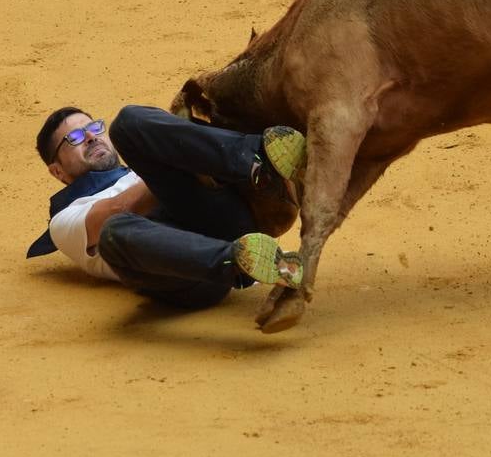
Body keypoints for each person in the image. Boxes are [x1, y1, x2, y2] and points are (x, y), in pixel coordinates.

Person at [26, 104, 307, 310]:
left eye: (93, 128)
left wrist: (188, 150)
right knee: (115, 231)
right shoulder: (64, 219)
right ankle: (242, 262)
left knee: (127, 122)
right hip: (190, 275)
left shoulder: (138, 169)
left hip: (220, 219)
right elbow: (122, 207)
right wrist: (183, 161)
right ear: (57, 172)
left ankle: (256, 158)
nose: (91, 137)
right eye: (74, 138)